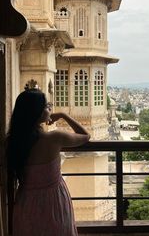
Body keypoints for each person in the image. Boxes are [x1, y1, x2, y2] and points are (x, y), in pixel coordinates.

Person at [6, 88, 90, 236]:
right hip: (54, 203)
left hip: (26, 203)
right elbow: (85, 136)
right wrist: (64, 115)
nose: (49, 109)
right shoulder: (54, 138)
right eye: (46, 106)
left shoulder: (13, 142)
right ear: (37, 112)